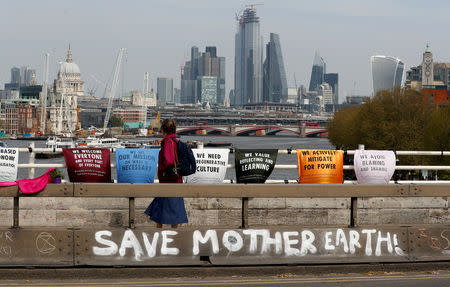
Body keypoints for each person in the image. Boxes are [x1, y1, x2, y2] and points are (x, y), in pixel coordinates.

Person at [145, 119, 188, 228]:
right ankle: (174, 234)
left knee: (161, 209)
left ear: (163, 130)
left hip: (168, 180)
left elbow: (169, 160)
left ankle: (160, 232)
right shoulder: (176, 141)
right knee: (174, 209)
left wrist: (163, 167)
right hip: (177, 179)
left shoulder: (168, 142)